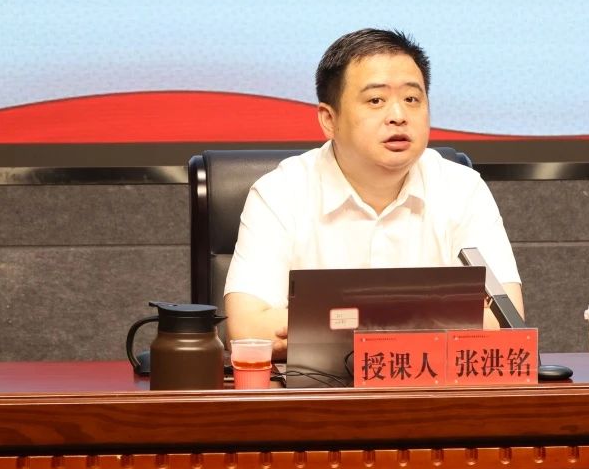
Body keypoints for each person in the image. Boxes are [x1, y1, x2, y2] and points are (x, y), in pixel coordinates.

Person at [223, 29, 523, 358]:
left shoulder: (462, 190)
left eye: (412, 99)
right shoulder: (281, 193)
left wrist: (328, 327)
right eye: (376, 100)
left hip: (433, 388)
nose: (398, 116)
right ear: (329, 119)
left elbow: (505, 322)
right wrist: (428, 323)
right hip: (315, 389)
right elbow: (249, 331)